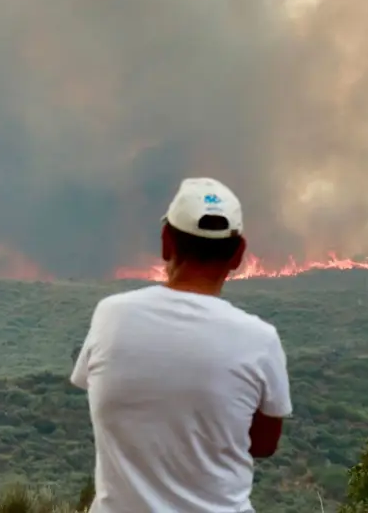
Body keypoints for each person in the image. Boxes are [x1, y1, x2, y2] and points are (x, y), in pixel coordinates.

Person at [70, 177, 292, 512]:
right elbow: (262, 444)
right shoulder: (260, 340)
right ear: (238, 254)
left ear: (165, 242)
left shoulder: (110, 316)